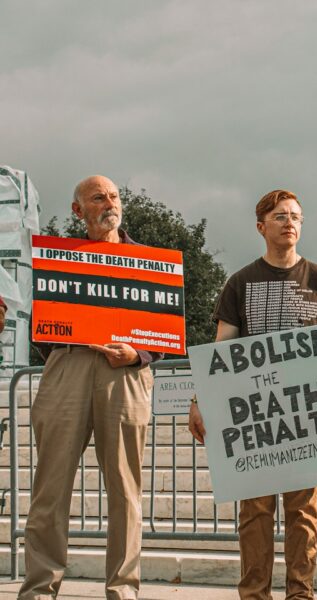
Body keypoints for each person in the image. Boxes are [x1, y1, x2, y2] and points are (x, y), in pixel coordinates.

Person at [187, 189, 317, 600]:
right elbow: (222, 349)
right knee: (254, 513)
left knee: (304, 513)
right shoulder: (240, 282)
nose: (289, 222)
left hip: (307, 418)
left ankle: (300, 594)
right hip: (256, 418)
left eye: (296, 216)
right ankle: (254, 595)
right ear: (261, 227)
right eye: (280, 216)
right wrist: (200, 399)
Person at [19, 175, 161, 600]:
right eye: (98, 197)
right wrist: (67, 353)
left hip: (127, 371)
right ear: (78, 210)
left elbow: (165, 332)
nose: (109, 203)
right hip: (69, 364)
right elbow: (39, 320)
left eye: (114, 196)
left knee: (126, 489)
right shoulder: (56, 257)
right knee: (51, 486)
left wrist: (137, 355)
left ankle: (123, 588)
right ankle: (40, 588)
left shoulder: (149, 261)